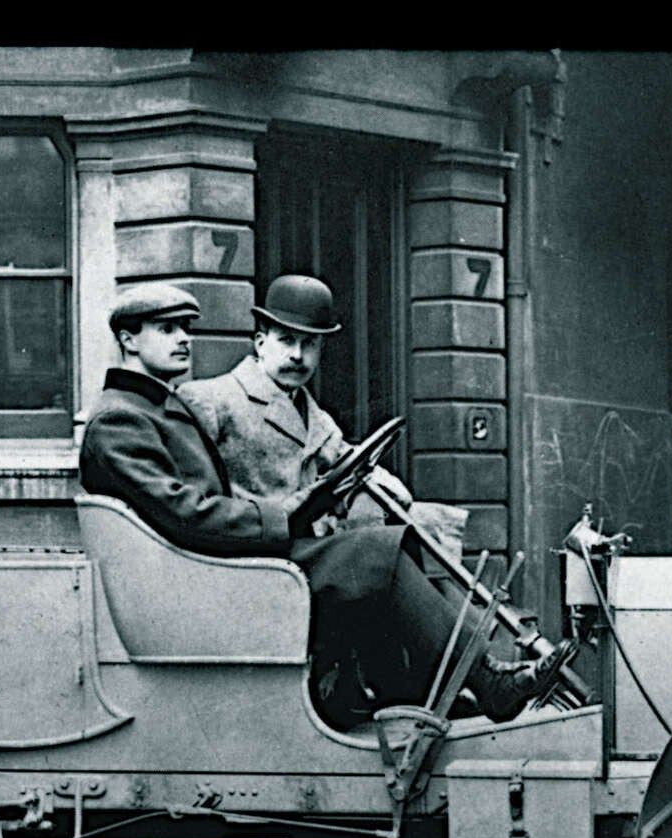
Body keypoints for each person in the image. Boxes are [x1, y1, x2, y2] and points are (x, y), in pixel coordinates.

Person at [78, 282, 573, 727]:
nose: (185, 340)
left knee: (389, 545)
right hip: (212, 575)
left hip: (218, 562)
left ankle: (436, 691)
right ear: (128, 339)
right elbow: (186, 513)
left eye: (186, 329)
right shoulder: (123, 419)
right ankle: (483, 682)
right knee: (375, 554)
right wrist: (286, 514)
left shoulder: (154, 407)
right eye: (167, 330)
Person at [178, 274, 468, 559]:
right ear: (261, 343)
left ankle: (462, 589)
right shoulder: (213, 399)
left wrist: (387, 492)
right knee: (384, 552)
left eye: (309, 344)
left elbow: (354, 463)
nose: (297, 355)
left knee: (422, 522)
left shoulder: (320, 422)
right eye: (286, 340)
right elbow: (194, 505)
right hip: (254, 555)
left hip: (304, 549)